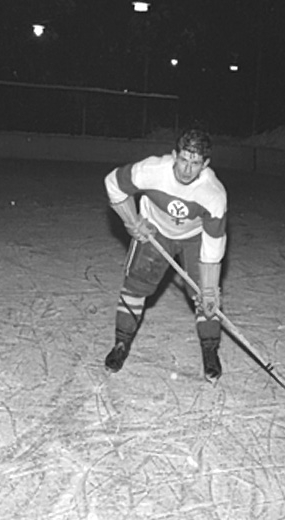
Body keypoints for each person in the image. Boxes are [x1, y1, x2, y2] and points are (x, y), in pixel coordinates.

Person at [103, 128, 227, 382]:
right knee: (135, 286)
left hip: (195, 239)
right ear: (174, 155)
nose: (186, 170)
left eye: (195, 163)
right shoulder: (151, 170)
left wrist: (209, 286)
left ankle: (210, 350)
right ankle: (121, 344)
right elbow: (113, 183)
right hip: (155, 231)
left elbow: (214, 243)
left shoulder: (214, 193)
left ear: (205, 164)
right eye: (183, 159)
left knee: (205, 295)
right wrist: (132, 221)